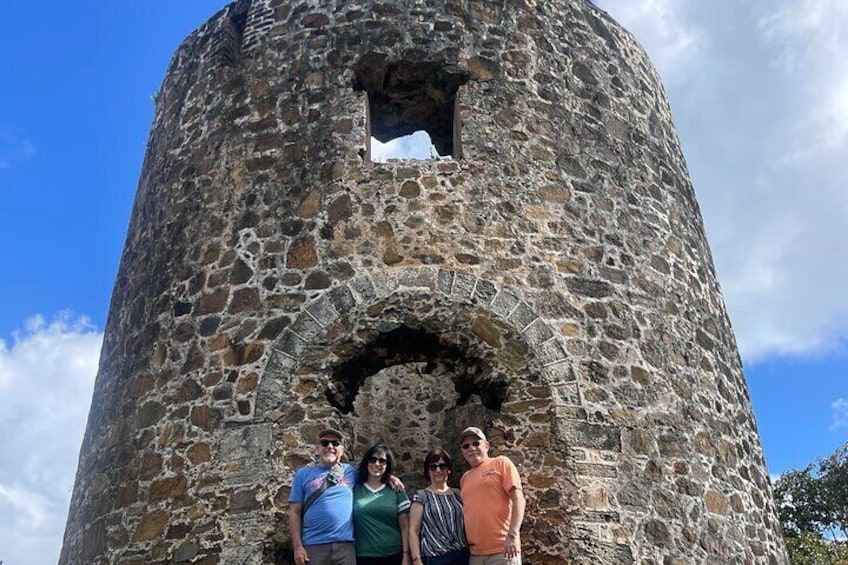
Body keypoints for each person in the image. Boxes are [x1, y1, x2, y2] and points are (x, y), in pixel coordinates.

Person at [288, 428, 358, 565]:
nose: (330, 447)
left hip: (345, 546)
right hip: (313, 546)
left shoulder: (351, 472)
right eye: (325, 443)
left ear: (342, 450)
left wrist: (391, 478)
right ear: (318, 449)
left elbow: (375, 475)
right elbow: (294, 512)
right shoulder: (303, 474)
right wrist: (297, 547)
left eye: (335, 443)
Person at [458, 427, 526, 565]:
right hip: (476, 554)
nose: (471, 448)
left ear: (486, 445)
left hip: (503, 549)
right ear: (462, 451)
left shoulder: (500, 463)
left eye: (476, 443)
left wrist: (512, 535)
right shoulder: (465, 478)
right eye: (466, 446)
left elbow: (518, 499)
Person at [352, 443, 412, 565]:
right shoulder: (354, 489)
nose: (377, 464)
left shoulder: (396, 490)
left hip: (394, 555)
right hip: (365, 557)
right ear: (367, 462)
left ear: (387, 465)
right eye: (373, 460)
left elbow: (405, 526)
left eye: (382, 461)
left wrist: (406, 555)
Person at [409, 449, 469, 565]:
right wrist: (417, 560)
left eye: (442, 466)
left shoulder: (458, 494)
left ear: (449, 469)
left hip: (462, 556)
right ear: (428, 470)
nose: (438, 470)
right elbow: (413, 531)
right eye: (433, 467)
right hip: (436, 558)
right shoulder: (421, 496)